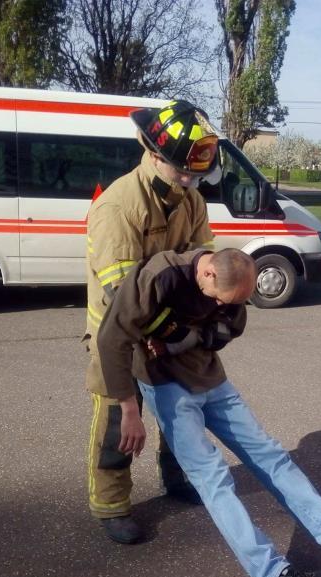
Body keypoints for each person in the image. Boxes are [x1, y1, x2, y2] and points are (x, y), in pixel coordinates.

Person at [97, 247, 321, 577]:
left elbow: (227, 330)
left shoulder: (234, 281)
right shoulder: (160, 277)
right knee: (213, 481)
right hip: (166, 385)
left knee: (270, 455)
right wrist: (130, 410)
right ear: (208, 273)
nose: (224, 306)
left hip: (210, 378)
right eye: (219, 300)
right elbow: (111, 339)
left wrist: (179, 336)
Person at [84, 99, 222, 545]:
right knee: (117, 425)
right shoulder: (119, 206)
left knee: (179, 411)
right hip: (119, 333)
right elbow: (123, 297)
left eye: (195, 174)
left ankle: (177, 478)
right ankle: (111, 505)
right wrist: (175, 332)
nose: (189, 181)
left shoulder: (191, 199)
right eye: (183, 171)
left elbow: (205, 267)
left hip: (170, 325)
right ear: (155, 153)